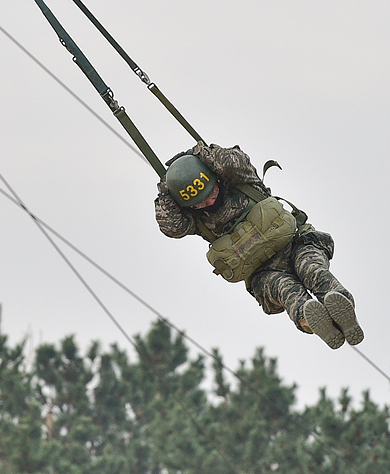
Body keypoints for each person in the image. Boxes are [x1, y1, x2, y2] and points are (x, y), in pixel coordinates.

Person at [154, 142, 363, 349]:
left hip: (296, 243)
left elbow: (232, 161)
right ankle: (310, 318)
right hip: (264, 273)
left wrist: (202, 154)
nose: (209, 202)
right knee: (285, 289)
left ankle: (341, 304)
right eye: (200, 202)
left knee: (310, 269)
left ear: (216, 179)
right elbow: (171, 226)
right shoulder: (197, 222)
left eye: (211, 194)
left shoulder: (240, 180)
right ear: (189, 206)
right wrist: (166, 187)